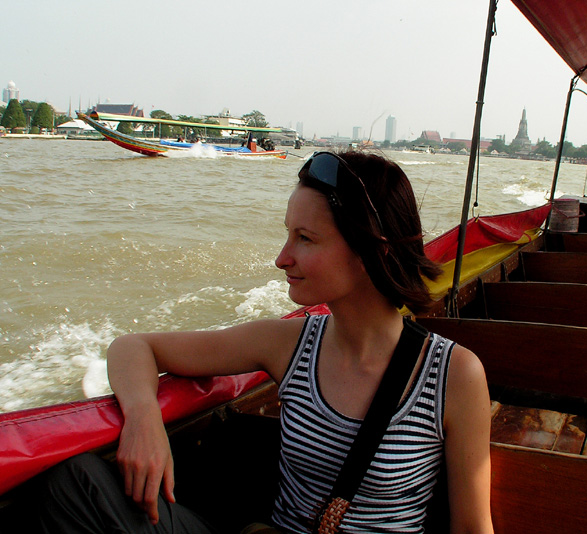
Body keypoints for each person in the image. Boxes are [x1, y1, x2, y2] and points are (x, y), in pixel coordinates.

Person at [38, 150, 494, 534]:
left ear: (372, 251)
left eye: (305, 238)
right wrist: (143, 419)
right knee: (75, 483)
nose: (282, 257)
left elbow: (474, 529)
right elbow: (132, 347)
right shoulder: (288, 343)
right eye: (287, 234)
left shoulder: (454, 375)